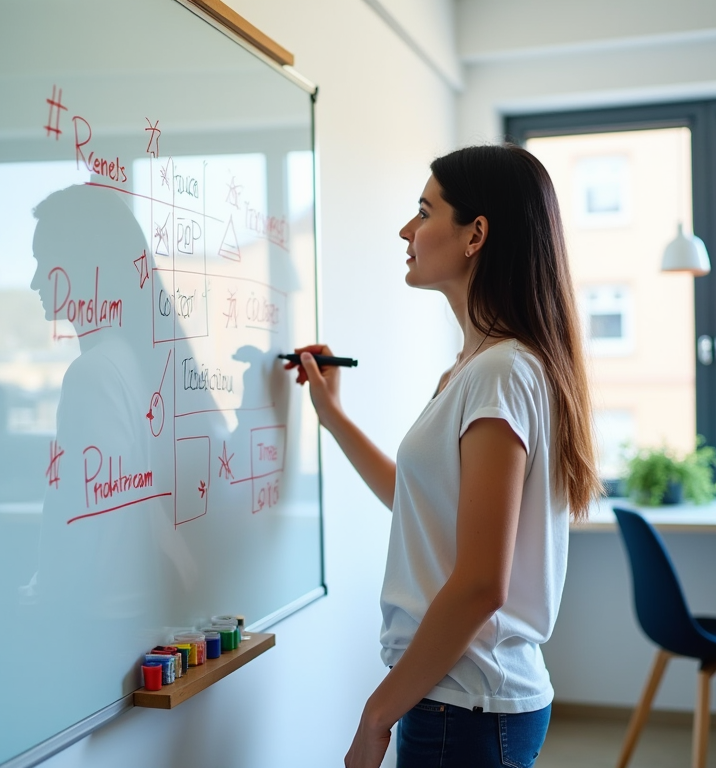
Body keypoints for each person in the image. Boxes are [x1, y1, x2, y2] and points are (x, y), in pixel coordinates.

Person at [287, 144, 602, 768]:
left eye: (425, 211)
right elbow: (418, 497)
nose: (407, 230)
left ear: (475, 235)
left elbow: (484, 582)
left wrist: (377, 714)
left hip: (465, 705)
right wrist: (333, 418)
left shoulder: (499, 373)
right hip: (469, 699)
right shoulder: (478, 370)